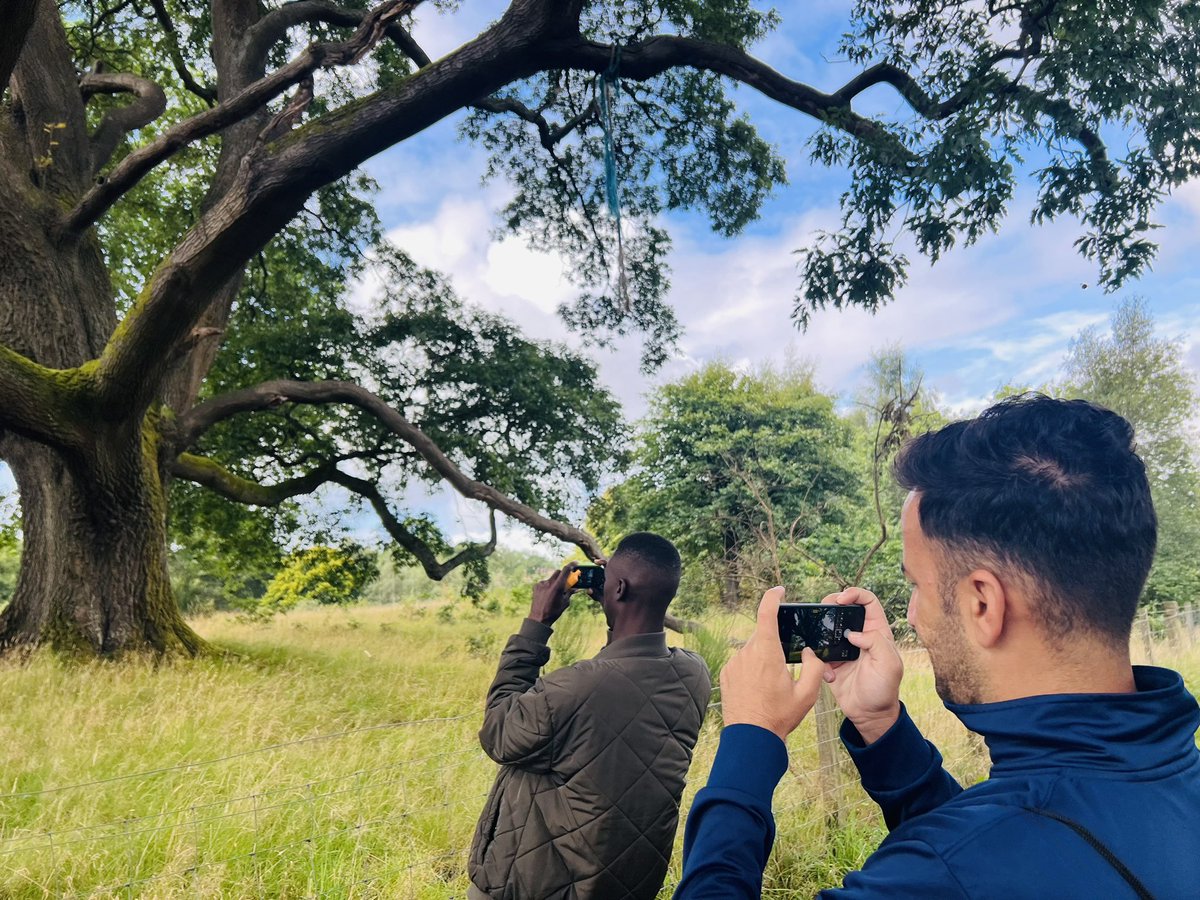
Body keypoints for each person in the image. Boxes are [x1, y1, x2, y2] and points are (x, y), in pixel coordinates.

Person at [675, 394, 1200, 898]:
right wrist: (881, 728)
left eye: (916, 585)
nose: (911, 614)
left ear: (982, 604)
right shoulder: (1172, 779)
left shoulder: (942, 872)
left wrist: (748, 741)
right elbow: (1012, 846)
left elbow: (978, 861)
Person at [468, 531, 712, 900]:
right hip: (625, 885)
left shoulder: (575, 688)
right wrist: (618, 600)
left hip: (535, 887)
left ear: (619, 589)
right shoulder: (694, 674)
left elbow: (498, 732)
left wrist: (537, 623)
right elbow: (627, 666)